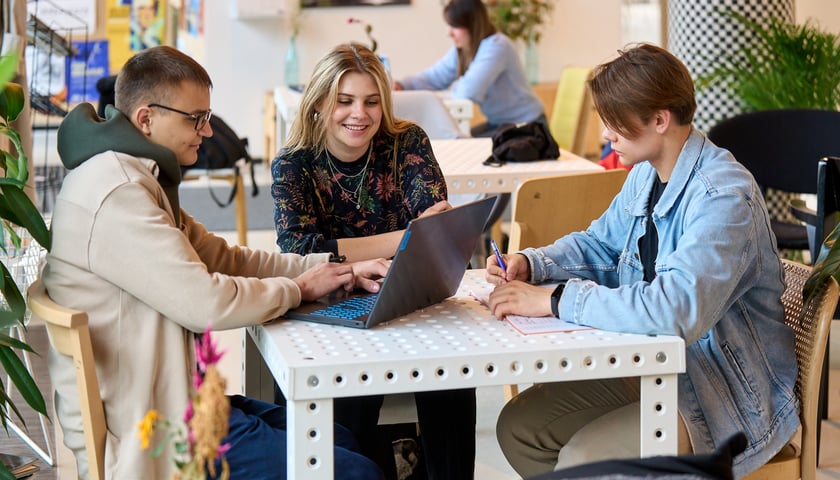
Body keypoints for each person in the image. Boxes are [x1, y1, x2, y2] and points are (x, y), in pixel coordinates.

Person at [44, 45, 389, 480]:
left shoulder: (135, 175)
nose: (207, 132)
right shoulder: (118, 193)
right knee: (358, 473)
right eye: (195, 119)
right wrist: (300, 289)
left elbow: (225, 259)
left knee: (341, 440)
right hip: (157, 430)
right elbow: (206, 302)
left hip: (170, 400)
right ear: (146, 118)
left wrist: (333, 270)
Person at [485, 44, 798, 479]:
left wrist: (554, 300)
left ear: (659, 119)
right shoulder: (646, 174)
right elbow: (599, 246)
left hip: (719, 393)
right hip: (656, 364)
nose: (606, 132)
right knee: (520, 428)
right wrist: (532, 263)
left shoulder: (722, 196)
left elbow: (674, 310)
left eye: (614, 120)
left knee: (582, 461)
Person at [272, 42, 476, 480]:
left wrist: (346, 250)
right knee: (348, 404)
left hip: (408, 302)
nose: (358, 114)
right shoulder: (293, 165)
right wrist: (403, 238)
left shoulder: (407, 142)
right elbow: (300, 250)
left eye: (370, 101)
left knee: (453, 378)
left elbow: (436, 228)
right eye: (344, 101)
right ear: (319, 102)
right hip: (331, 311)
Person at [393, 0, 546, 138]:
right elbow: (436, 77)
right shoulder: (465, 49)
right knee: (459, 140)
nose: (450, 33)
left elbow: (468, 92)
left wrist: (456, 84)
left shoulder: (497, 46)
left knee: (461, 144)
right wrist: (403, 84)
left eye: (455, 26)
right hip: (501, 123)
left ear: (472, 24)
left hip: (528, 126)